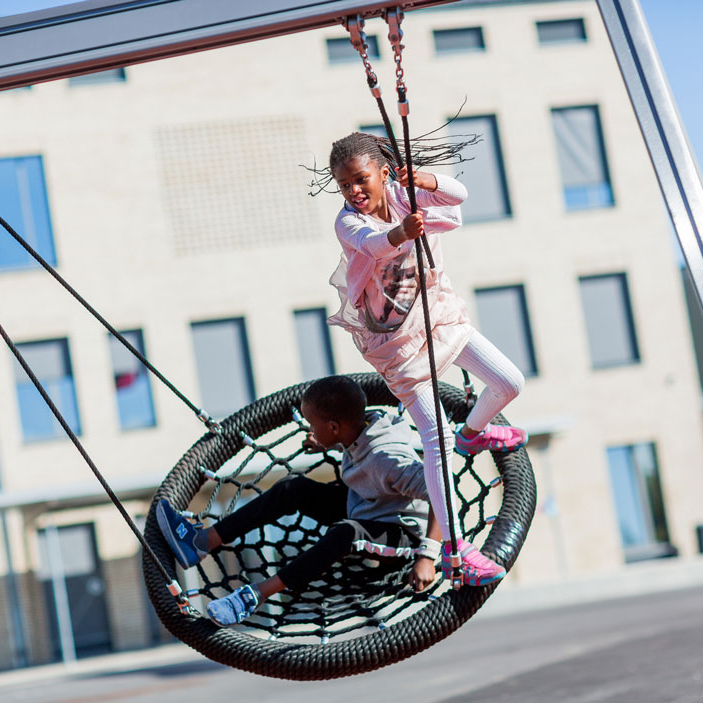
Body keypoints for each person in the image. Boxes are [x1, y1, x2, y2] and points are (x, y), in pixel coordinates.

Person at [325, 132, 527, 586]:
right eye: (344, 186)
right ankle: (453, 548)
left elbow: (460, 194)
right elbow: (377, 245)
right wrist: (401, 231)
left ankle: (474, 431)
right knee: (436, 438)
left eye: (360, 180)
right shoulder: (347, 222)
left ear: (383, 173)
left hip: (436, 315)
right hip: (394, 342)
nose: (353, 192)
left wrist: (427, 179)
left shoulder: (401, 192)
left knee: (509, 382)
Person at [157, 375, 467, 627]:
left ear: (334, 426)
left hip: (402, 534)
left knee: (346, 533)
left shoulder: (386, 459)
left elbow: (442, 488)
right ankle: (200, 543)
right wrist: (328, 445)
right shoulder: (357, 431)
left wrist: (428, 555)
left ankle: (255, 595)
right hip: (367, 506)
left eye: (313, 424)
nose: (309, 429)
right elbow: (361, 454)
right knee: (291, 488)